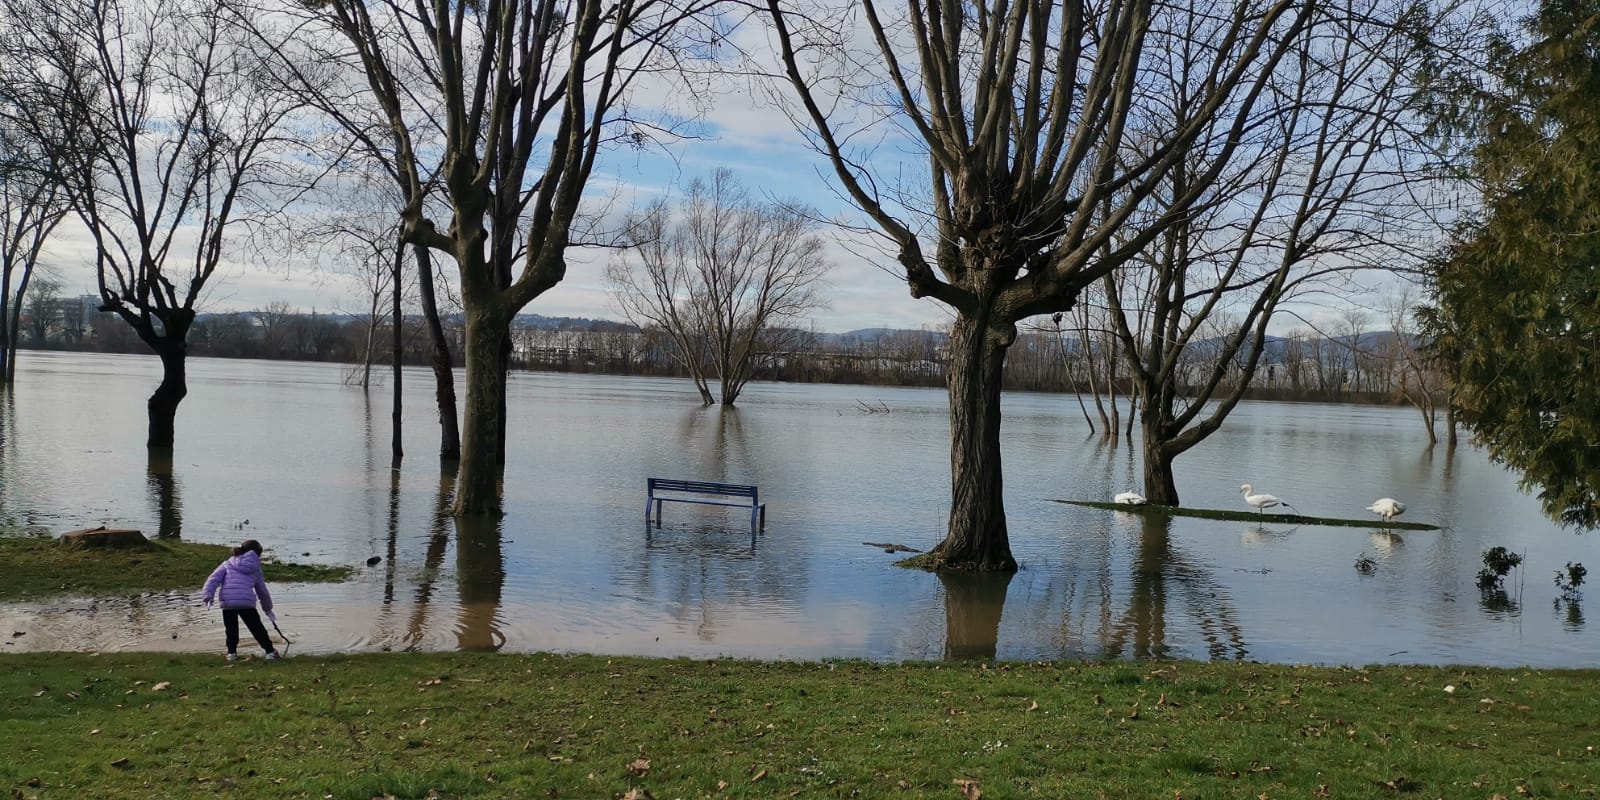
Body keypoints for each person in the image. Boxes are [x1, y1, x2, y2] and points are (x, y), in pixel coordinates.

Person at [200, 539, 280, 661]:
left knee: (231, 629)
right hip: (246, 602)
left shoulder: (227, 563)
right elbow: (262, 591)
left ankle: (231, 654)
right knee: (257, 628)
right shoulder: (255, 568)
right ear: (257, 554)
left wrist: (208, 596)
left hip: (228, 602)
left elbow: (213, 580)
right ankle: (270, 652)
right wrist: (268, 609)